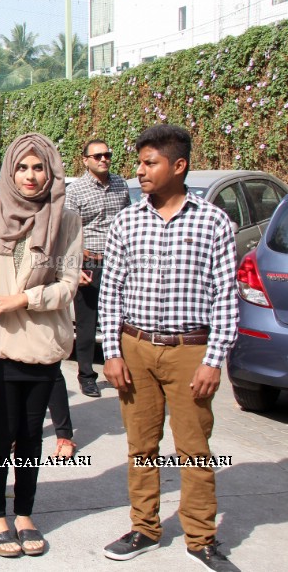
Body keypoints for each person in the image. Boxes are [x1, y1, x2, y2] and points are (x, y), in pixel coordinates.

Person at [99, 125, 238, 571]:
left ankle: (200, 537)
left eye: (150, 162)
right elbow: (111, 291)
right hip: (135, 348)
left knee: (194, 448)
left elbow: (226, 298)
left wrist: (214, 360)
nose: (140, 171)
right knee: (141, 445)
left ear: (178, 166)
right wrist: (112, 352)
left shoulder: (212, 221)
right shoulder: (127, 220)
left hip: (190, 352)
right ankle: (144, 526)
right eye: (139, 162)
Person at [0, 133, 81, 558]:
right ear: (10, 171)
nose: (31, 176)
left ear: (51, 171)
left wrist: (24, 298)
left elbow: (68, 285)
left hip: (40, 344)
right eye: (22, 167)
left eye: (39, 167)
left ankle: (25, 514)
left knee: (31, 436)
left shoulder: (66, 220)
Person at [65, 139, 131, 398]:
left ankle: (123, 368)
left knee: (122, 318)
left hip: (119, 261)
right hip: (90, 261)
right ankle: (86, 375)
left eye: (107, 154)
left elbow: (128, 221)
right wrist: (75, 267)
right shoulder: (77, 190)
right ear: (85, 160)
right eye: (97, 156)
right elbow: (69, 232)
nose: (103, 159)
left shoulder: (120, 185)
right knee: (86, 322)